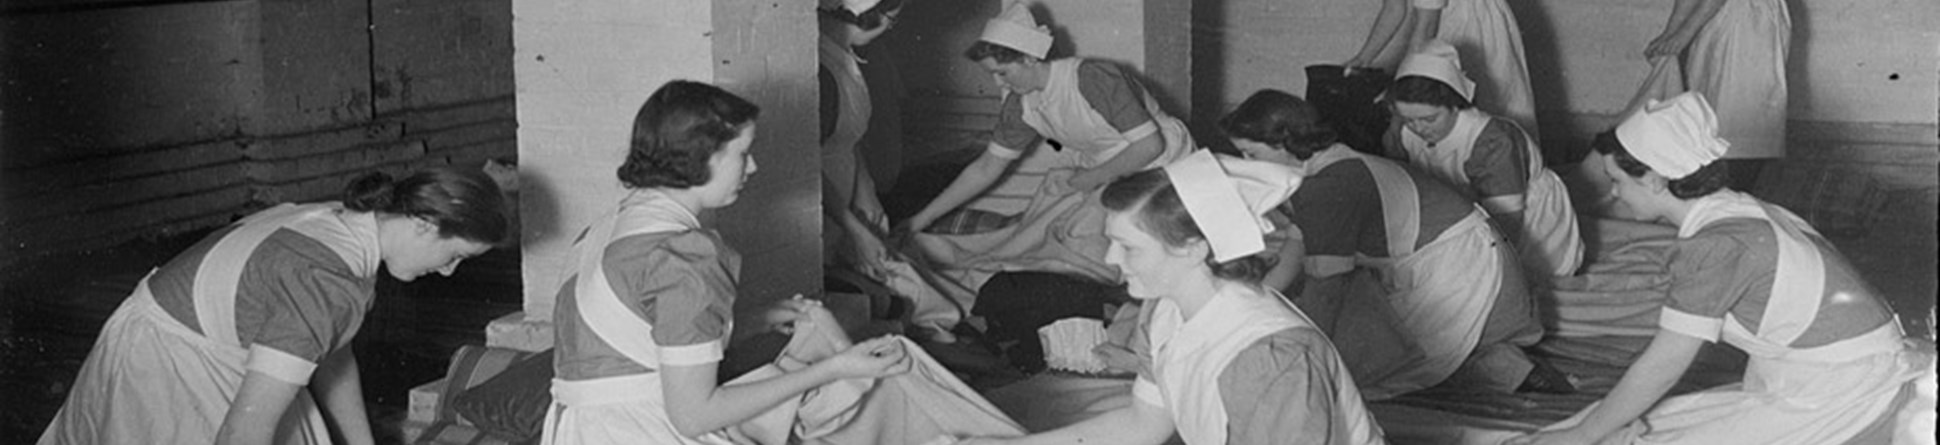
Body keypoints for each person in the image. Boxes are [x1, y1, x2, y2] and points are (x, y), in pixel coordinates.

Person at [1507, 92, 1934, 445]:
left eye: (1617, 181)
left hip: (1840, 391)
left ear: (1654, 179)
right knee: (1643, 424)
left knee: (1611, 434)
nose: (1614, 196)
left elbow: (1663, 363)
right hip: (1821, 372)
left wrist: (1584, 434)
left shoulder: (1717, 245)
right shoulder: (1739, 209)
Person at [542, 80, 912, 444]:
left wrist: (753, 320)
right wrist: (832, 369)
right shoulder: (686, 256)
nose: (752, 168)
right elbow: (693, 417)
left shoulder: (601, 232)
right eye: (743, 153)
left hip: (578, 430)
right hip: (644, 429)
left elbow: (637, 346)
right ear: (702, 157)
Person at [38, 168, 509, 445]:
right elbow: (242, 436)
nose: (448, 273)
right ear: (425, 224)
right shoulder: (323, 278)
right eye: (455, 257)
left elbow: (331, 350)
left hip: (161, 331)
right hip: (172, 363)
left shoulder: (348, 226)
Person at [963, 151, 1386, 445]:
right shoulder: (1165, 308)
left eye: (1128, 247)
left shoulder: (1270, 354)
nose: (1112, 261)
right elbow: (1143, 424)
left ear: (1194, 247)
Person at [1222, 89, 1570, 399]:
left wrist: (1302, 352)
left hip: (1468, 270)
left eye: (1251, 154)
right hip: (1463, 256)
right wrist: (1249, 305)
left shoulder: (1329, 187)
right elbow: (1292, 254)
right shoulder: (1324, 165)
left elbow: (1326, 289)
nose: (1247, 165)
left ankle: (1512, 370)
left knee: (1367, 374)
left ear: (1284, 143)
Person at [897, 0, 1195, 293]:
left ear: (1030, 58)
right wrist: (921, 219)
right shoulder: (1022, 103)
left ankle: (993, 268)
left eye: (1003, 72)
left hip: (1161, 166)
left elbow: (1149, 145)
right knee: (1040, 215)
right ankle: (980, 262)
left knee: (1072, 227)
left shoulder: (1093, 78)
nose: (999, 84)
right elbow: (986, 168)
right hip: (1108, 169)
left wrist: (1084, 180)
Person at [1381, 41, 1583, 279]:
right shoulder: (1404, 131)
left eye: (1429, 119)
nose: (1418, 128)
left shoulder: (1492, 143)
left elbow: (1507, 223)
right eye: (1408, 119)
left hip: (1523, 220)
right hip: (1461, 212)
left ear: (1455, 106)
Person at [1644, 0, 1789, 192]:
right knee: (1711, 115)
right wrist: (1670, 33)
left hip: (1746, 22)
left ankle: (1735, 195)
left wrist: (1682, 34)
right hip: (1717, 20)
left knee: (1738, 116)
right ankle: (1718, 192)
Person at [1345, 0, 1537, 139]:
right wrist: (1364, 57)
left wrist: (1403, 83)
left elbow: (1427, 27)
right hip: (1442, 23)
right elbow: (1394, 7)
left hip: (1475, 27)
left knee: (1489, 109)